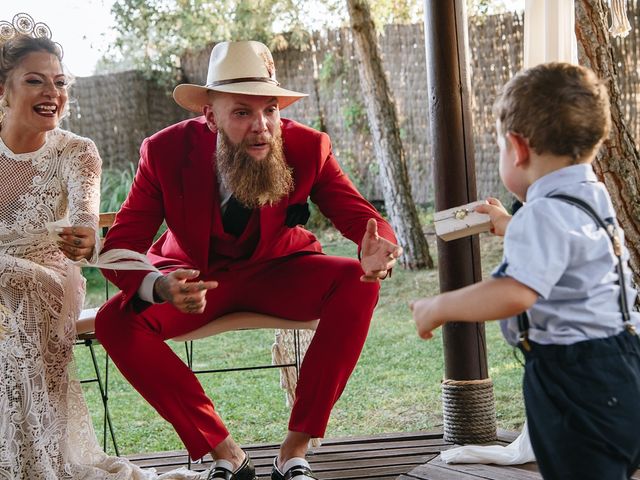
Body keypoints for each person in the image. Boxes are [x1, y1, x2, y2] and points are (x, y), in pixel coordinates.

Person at [95, 40, 402, 480]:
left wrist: (378, 249)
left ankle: (293, 453)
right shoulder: (164, 152)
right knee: (114, 321)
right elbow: (122, 243)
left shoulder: (308, 147)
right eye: (242, 112)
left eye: (270, 110)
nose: (261, 127)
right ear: (210, 115)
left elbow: (363, 219)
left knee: (357, 281)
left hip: (280, 271)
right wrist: (161, 287)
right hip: (193, 283)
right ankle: (227, 454)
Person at [411, 62, 640, 479]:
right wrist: (508, 225)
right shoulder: (592, 196)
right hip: (623, 367)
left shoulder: (542, 214)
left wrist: (437, 307)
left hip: (574, 381)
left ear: (517, 148)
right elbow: (567, 252)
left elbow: (515, 292)